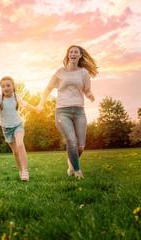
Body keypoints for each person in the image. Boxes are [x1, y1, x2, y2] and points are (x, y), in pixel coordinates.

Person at [36, 45, 98, 178]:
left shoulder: (83, 73)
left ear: (80, 56)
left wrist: (90, 95)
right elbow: (48, 89)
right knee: (72, 140)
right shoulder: (60, 72)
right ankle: (77, 171)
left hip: (79, 111)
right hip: (62, 111)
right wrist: (41, 103)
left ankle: (71, 161)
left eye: (76, 52)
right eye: (71, 52)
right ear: (68, 55)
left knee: (80, 145)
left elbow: (87, 90)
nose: (73, 54)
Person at [0, 76, 36, 181]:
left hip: (17, 125)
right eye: (3, 86)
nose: (6, 88)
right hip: (6, 129)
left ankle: (25, 171)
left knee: (20, 144)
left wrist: (35, 108)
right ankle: (20, 170)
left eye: (8, 85)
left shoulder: (16, 96)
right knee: (15, 152)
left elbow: (25, 104)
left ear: (13, 86)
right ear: (1, 88)